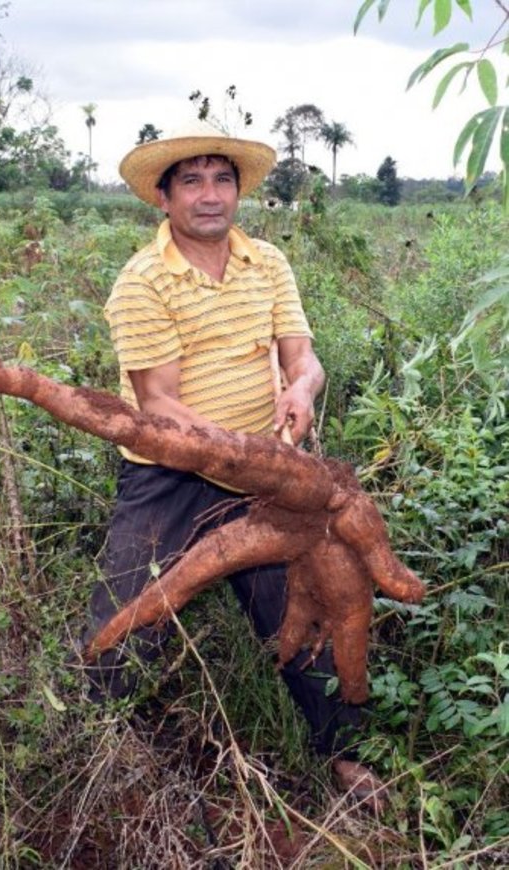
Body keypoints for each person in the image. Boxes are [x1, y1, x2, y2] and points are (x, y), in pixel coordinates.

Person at [85, 121, 387, 811]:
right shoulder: (144, 281)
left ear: (239, 191)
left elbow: (302, 356)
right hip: (170, 478)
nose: (210, 194)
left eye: (222, 179)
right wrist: (249, 456)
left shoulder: (268, 263)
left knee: (306, 611)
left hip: (267, 478)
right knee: (129, 618)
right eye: (191, 180)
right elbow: (160, 405)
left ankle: (344, 755)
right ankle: (102, 749)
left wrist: (300, 389)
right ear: (163, 198)